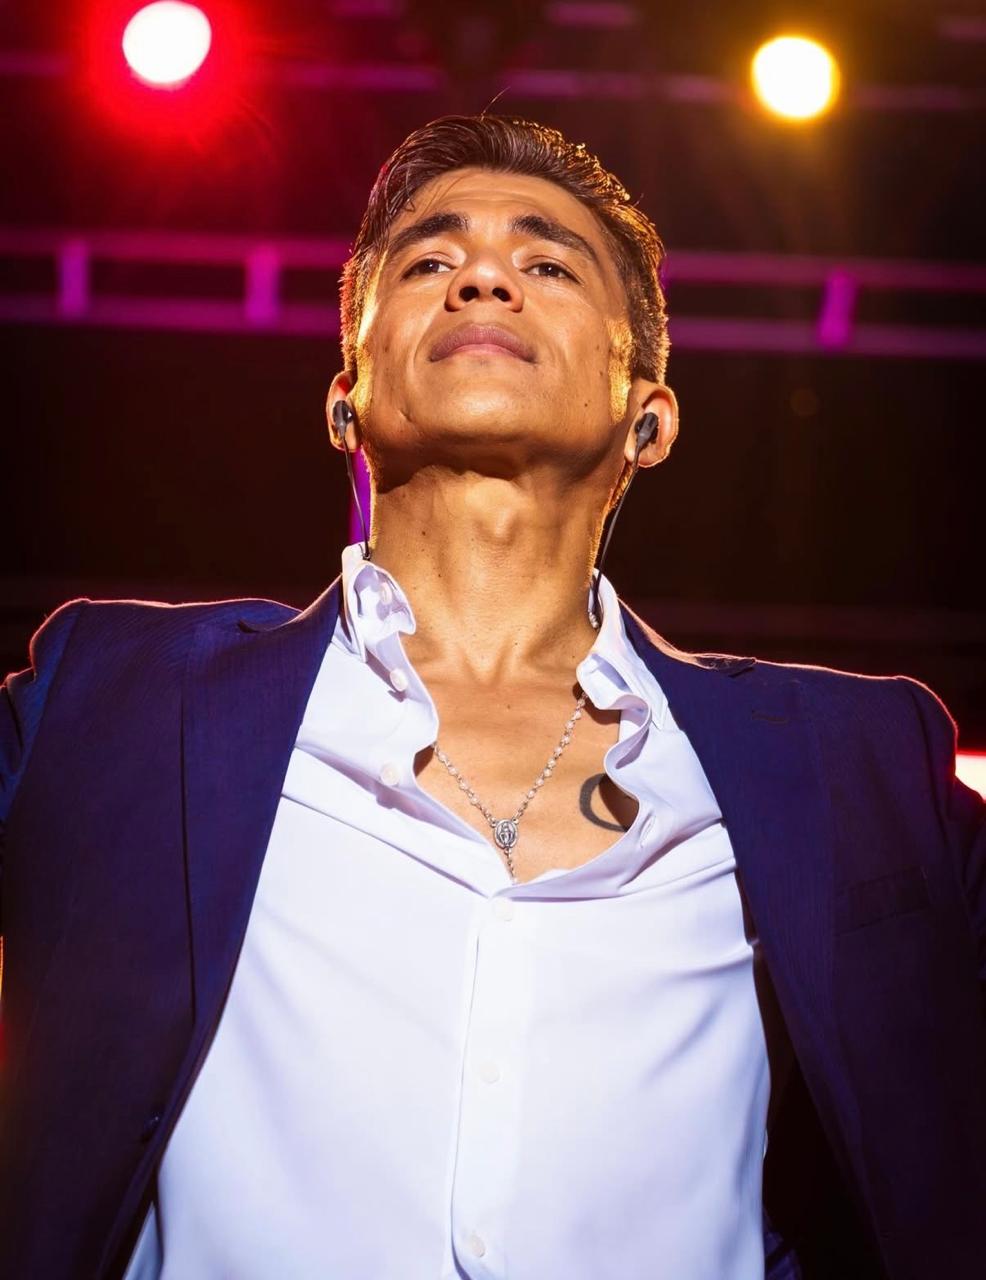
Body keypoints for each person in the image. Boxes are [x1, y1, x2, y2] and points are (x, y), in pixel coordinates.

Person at [0, 114, 983, 1280]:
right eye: (429, 259)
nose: (481, 278)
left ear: (647, 418)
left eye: (547, 264)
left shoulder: (855, 758)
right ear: (345, 397)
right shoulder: (114, 699)